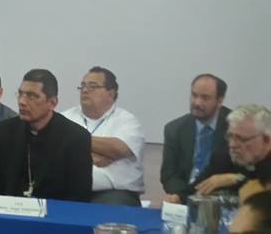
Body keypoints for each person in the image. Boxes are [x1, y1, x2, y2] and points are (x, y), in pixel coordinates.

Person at [0, 69, 92, 202]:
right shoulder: (3, 131)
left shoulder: (76, 138)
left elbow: (79, 196)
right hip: (7, 215)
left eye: (31, 96)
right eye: (20, 94)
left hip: (54, 217)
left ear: (52, 103)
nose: (22, 101)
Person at [62, 66, 145, 206]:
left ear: (111, 93)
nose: (85, 90)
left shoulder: (127, 120)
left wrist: (75, 144)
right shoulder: (65, 117)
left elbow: (120, 149)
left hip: (114, 193)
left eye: (92, 86)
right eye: (83, 86)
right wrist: (91, 154)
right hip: (69, 190)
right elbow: (53, 149)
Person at [161, 74, 231, 204]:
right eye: (194, 95)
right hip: (184, 198)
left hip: (223, 199)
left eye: (205, 97)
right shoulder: (174, 129)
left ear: (220, 100)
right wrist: (182, 196)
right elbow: (169, 174)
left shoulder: (234, 127)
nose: (197, 102)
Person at [195, 104, 271, 197]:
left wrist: (237, 180)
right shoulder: (224, 157)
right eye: (230, 136)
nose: (232, 145)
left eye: (242, 139)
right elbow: (195, 188)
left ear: (266, 139)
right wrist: (178, 197)